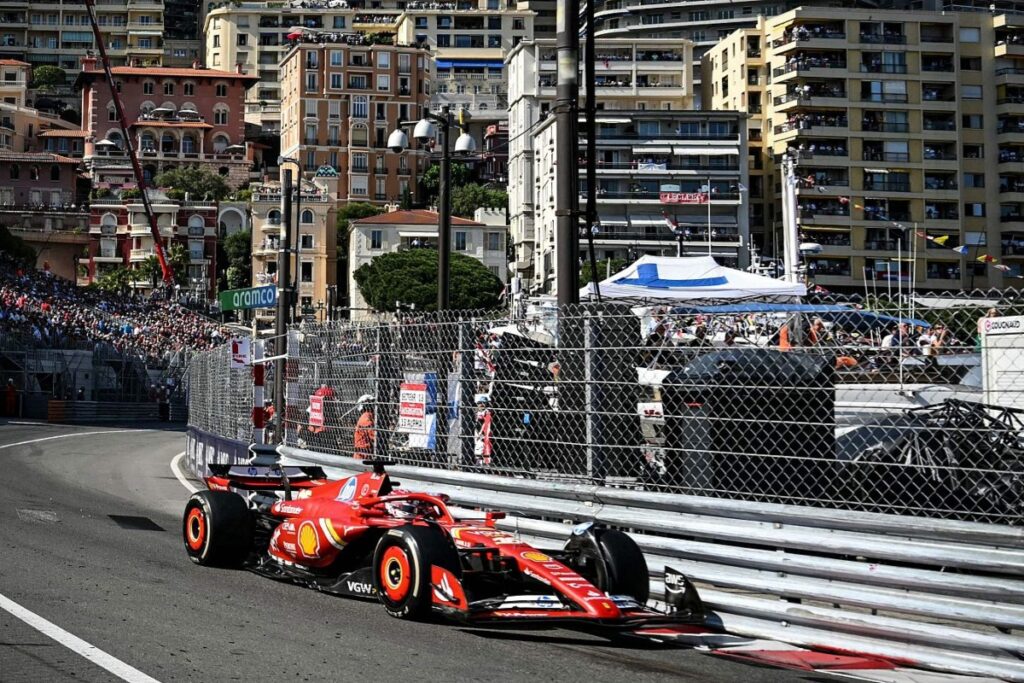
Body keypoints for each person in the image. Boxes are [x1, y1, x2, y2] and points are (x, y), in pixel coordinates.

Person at [354, 394, 376, 459]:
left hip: (366, 451)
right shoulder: (366, 418)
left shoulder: (370, 416)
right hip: (363, 454)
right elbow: (373, 435)